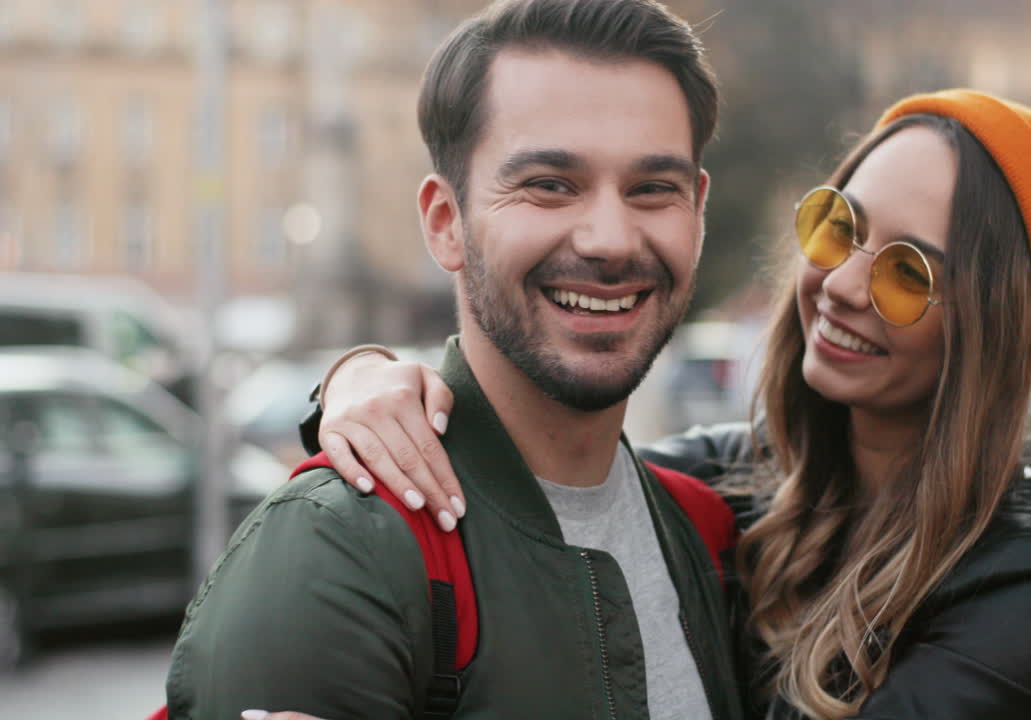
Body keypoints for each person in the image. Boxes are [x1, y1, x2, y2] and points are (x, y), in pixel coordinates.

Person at [308, 89, 1031, 718]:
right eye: (840, 226)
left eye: (910, 273)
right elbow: (513, 482)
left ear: (993, 331)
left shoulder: (1026, 583)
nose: (845, 285)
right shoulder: (729, 481)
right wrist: (363, 379)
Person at [163, 1, 746, 719]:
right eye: (549, 185)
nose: (610, 240)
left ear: (699, 210)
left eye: (654, 189)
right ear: (446, 224)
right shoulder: (339, 548)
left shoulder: (708, 530)